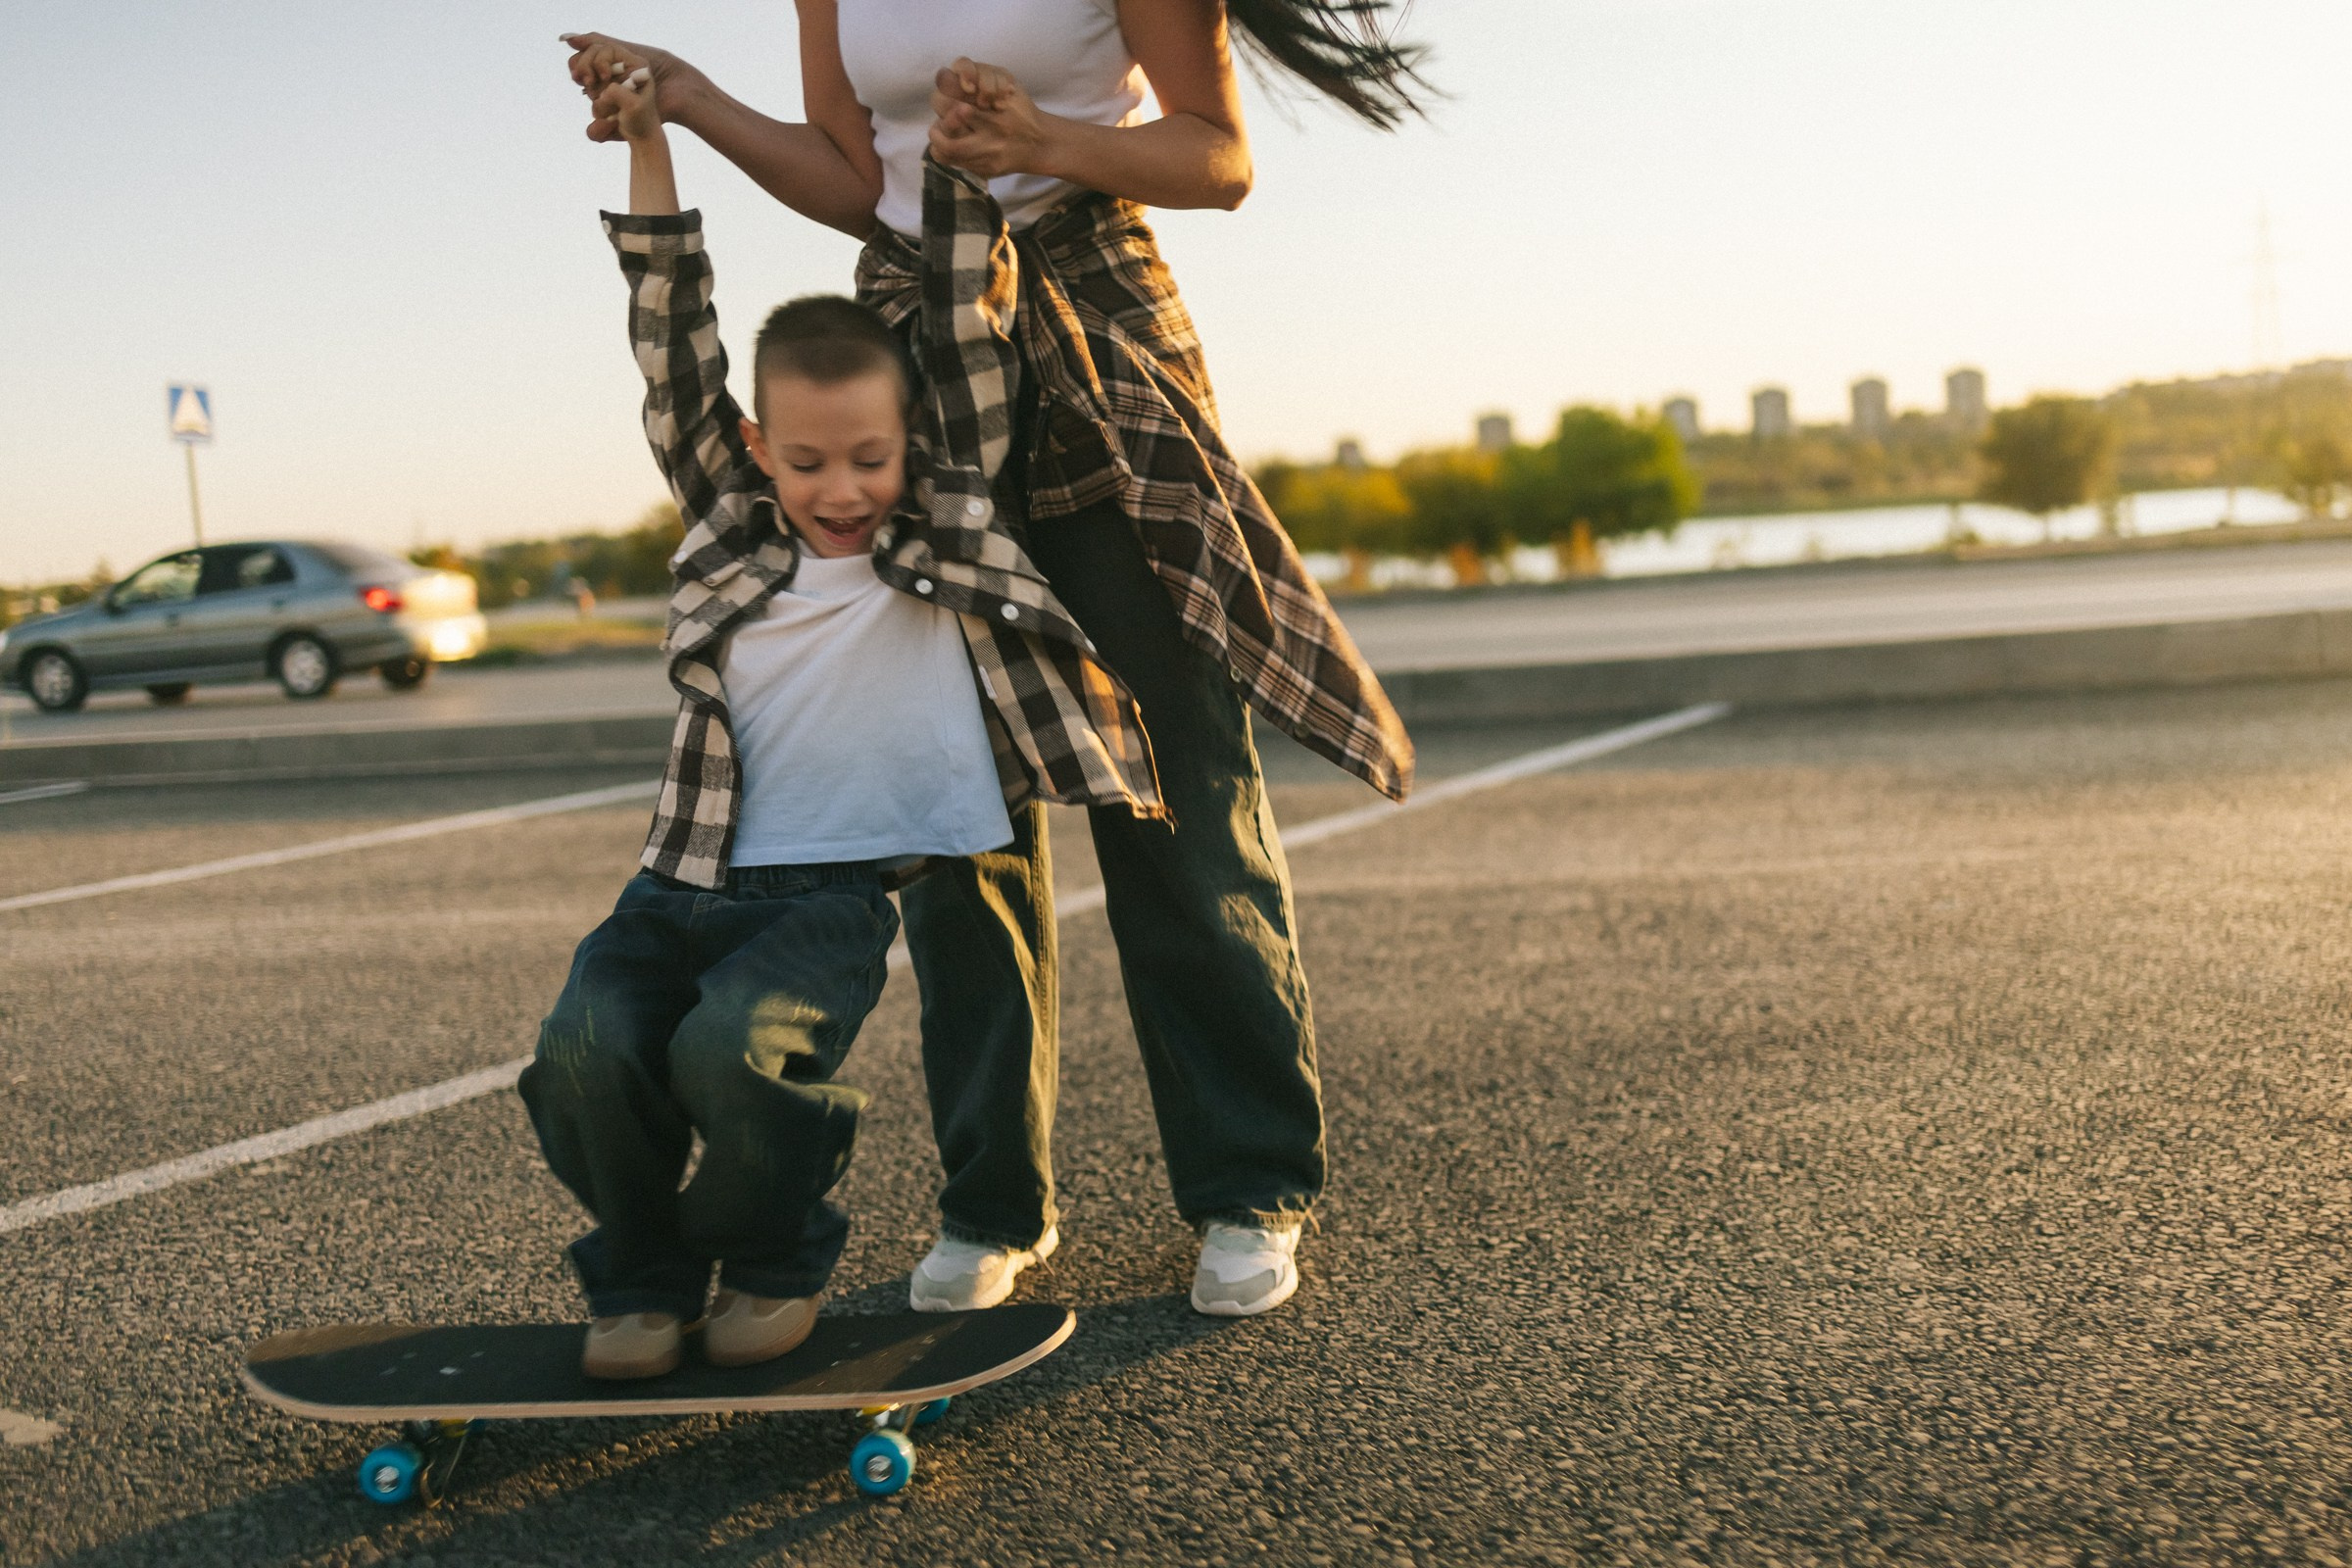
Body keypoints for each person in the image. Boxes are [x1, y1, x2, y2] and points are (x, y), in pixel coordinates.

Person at [562, 1, 1427, 1320]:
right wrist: (688, 97)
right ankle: (992, 1203)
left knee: (1176, 783)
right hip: (913, 337)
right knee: (958, 809)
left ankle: (1248, 1181)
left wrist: (1048, 138)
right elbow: (857, 182)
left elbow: (1216, 160)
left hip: (1092, 317)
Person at [519, 65, 1164, 1379]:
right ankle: (641, 1278)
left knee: (732, 1052)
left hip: (822, 897)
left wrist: (959, 156)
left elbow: (963, 321)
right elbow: (668, 323)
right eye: (809, 461)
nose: (843, 489)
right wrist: (651, 139)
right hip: (680, 877)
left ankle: (768, 1257)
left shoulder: (942, 512)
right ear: (759, 447)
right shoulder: (723, 511)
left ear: (910, 442)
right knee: (581, 1051)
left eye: (870, 458)